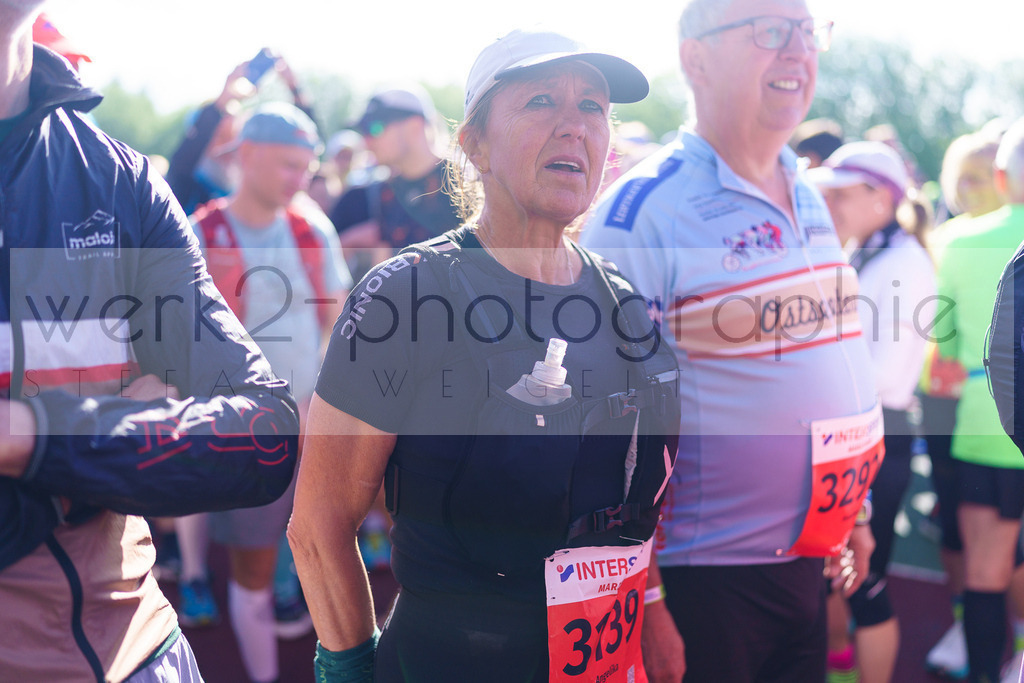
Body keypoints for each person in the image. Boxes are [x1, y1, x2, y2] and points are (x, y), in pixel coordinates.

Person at [289, 28, 681, 683]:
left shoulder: (623, 303)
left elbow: (622, 500)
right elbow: (318, 525)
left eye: (593, 106)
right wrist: (349, 670)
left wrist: (652, 605)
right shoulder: (408, 296)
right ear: (473, 143)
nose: (574, 126)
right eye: (540, 102)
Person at [0, 4, 300, 681]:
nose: (298, 177)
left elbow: (267, 432)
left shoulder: (117, 178)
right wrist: (126, 420)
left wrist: (31, 436)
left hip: (141, 651)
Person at [580, 2, 878, 681]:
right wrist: (646, 599)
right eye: (773, 31)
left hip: (808, 557)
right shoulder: (642, 213)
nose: (798, 51)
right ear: (696, 56)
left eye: (809, 32)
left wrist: (851, 505)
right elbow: (601, 433)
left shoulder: (805, 193)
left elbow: (832, 363)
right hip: (703, 579)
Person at [173, 102, 352, 683]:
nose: (300, 180)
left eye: (307, 166)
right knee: (249, 565)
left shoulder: (309, 227)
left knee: (313, 557)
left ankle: (281, 603)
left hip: (308, 428)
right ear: (245, 156)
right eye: (286, 165)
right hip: (243, 433)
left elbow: (337, 322)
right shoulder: (202, 234)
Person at [809, 141, 936, 683]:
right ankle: (838, 663)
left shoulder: (903, 260)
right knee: (838, 572)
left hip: (878, 432)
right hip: (858, 430)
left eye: (843, 191)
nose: (830, 202)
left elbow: (885, 371)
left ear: (881, 198)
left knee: (867, 577)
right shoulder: (871, 251)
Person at [933, 117, 1024, 683]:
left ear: (1000, 175)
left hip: (985, 425)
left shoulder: (957, 241)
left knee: (985, 573)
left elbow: (940, 351)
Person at [329, 86, 461, 278]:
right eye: (363, 132)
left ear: (414, 126)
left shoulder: (463, 182)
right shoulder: (387, 190)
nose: (366, 142)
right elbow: (383, 266)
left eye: (375, 128)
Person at [164, 51, 315, 216]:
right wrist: (223, 100)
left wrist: (295, 88)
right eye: (220, 137)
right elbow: (187, 154)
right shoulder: (182, 185)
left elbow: (304, 144)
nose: (227, 147)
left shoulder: (252, 190)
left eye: (234, 136)